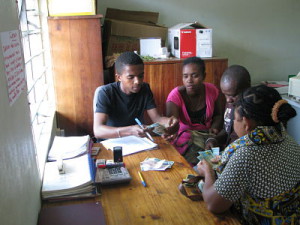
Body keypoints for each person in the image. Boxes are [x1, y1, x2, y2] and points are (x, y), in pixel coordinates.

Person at [196, 85, 300, 224]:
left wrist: (207, 171)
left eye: (235, 119)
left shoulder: (246, 155)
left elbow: (214, 204)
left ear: (246, 123)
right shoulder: (288, 139)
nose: (233, 122)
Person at [93, 51, 179, 141]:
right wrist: (130, 130)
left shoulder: (144, 89)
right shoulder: (106, 92)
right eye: (131, 77)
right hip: (111, 143)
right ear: (119, 77)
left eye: (141, 76)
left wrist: (169, 123)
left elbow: (157, 119)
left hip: (137, 142)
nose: (137, 81)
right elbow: (98, 131)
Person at [166, 57, 223, 156]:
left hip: (208, 134)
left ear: (203, 76)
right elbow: (171, 122)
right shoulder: (175, 95)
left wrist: (215, 128)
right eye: (185, 76)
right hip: (185, 136)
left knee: (217, 160)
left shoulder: (212, 91)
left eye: (194, 76)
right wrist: (171, 131)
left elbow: (218, 115)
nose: (189, 80)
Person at [205, 65, 251, 150]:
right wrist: (214, 139)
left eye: (233, 95)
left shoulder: (250, 112)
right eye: (225, 94)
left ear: (247, 89)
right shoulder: (231, 103)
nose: (228, 100)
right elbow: (227, 129)